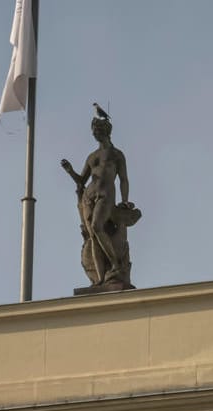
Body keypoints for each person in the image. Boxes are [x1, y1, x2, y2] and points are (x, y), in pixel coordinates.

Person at [60, 105, 139, 290]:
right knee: (93, 238)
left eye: (97, 129)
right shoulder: (92, 156)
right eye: (93, 130)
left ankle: (116, 266)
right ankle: (101, 280)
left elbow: (124, 179)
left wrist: (125, 200)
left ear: (105, 130)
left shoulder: (116, 154)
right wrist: (70, 170)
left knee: (97, 227)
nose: (94, 133)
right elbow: (81, 180)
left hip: (105, 195)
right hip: (89, 196)